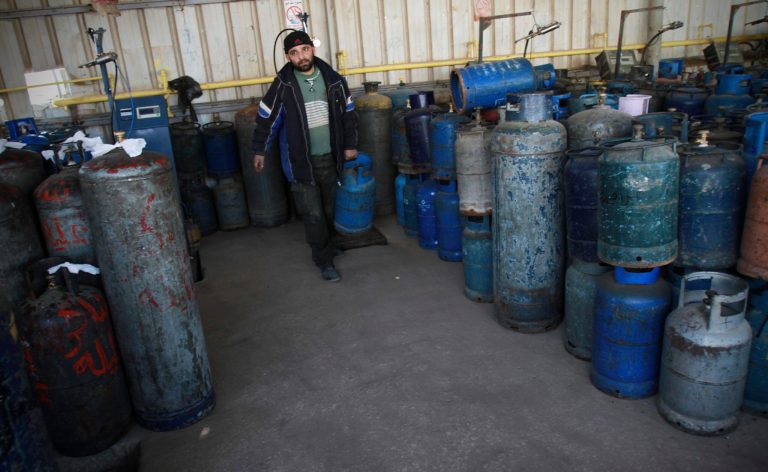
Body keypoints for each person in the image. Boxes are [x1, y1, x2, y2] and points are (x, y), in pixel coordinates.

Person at [252, 30, 358, 282]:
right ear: (288, 57)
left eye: (305, 50)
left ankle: (330, 245)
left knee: (330, 207)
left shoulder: (334, 80)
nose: (301, 56)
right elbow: (267, 120)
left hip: (330, 159)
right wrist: (259, 150)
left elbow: (349, 114)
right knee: (313, 214)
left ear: (313, 49)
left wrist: (350, 144)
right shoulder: (283, 85)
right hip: (300, 163)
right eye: (294, 53)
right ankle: (323, 260)